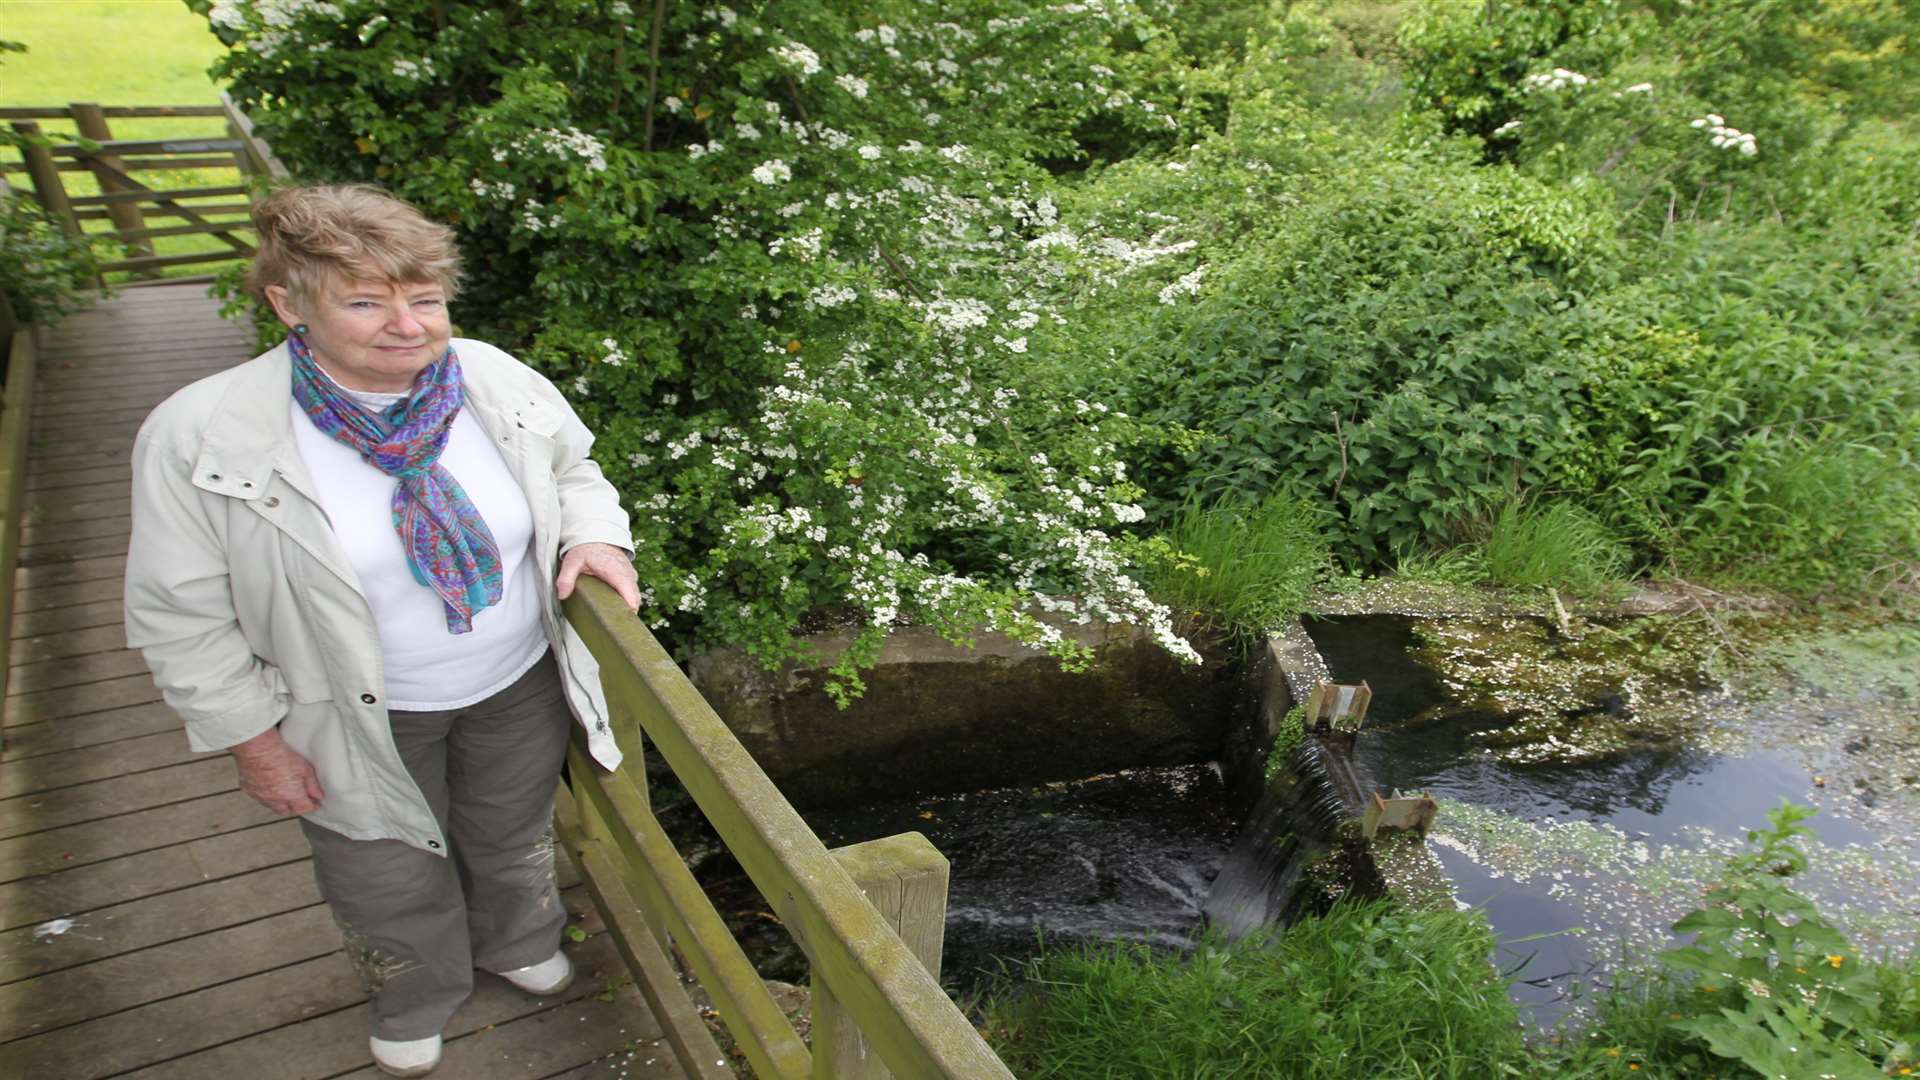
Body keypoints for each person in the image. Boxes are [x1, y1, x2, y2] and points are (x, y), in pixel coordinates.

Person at [124, 184, 640, 1078]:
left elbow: (575, 468)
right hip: (346, 706)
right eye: (365, 301)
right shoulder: (202, 433)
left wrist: (597, 536)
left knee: (509, 829)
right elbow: (180, 611)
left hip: (513, 681)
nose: (407, 325)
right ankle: (415, 988)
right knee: (382, 867)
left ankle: (517, 938)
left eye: (425, 299)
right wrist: (253, 742)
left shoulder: (492, 377)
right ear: (289, 304)